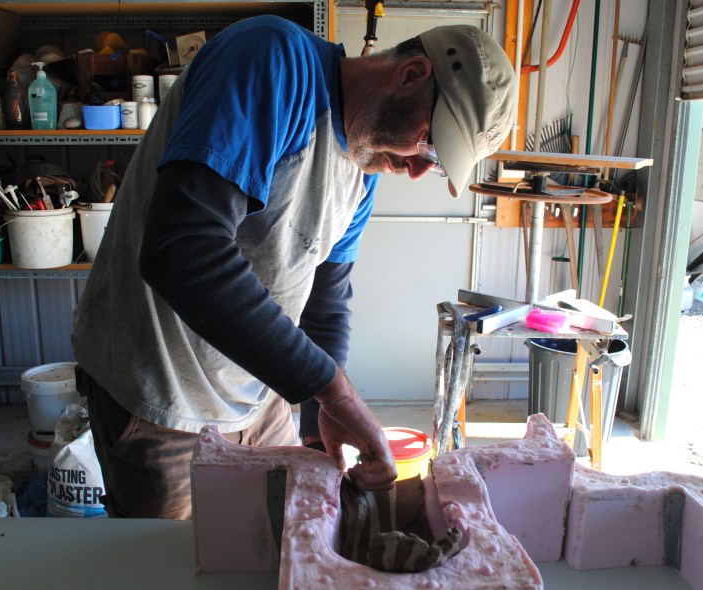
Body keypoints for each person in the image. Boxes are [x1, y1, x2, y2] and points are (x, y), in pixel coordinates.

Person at [71, 14, 515, 519]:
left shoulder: (365, 166)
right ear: (410, 74)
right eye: (428, 144)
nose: (417, 171)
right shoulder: (270, 61)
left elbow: (325, 304)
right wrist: (333, 390)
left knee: (279, 544)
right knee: (179, 567)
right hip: (160, 395)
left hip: (258, 399)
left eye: (434, 163)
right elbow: (183, 248)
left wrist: (317, 415)